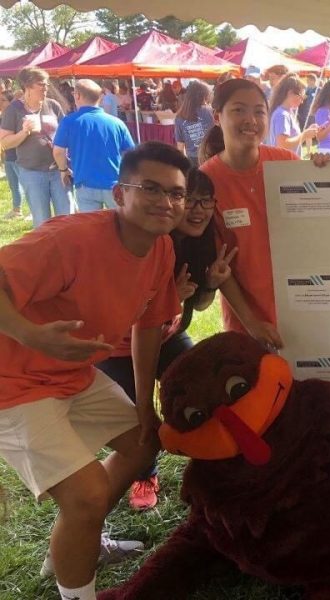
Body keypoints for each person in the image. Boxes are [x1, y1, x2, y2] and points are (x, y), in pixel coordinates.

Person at [0, 141, 190, 600]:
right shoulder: (69, 239)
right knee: (85, 496)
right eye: (150, 188)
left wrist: (145, 406)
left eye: (176, 193)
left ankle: (77, 543)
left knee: (144, 442)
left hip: (74, 375)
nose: (165, 202)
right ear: (119, 192)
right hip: (13, 384)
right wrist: (30, 334)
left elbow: (148, 328)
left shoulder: (161, 248)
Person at [94, 168, 234, 511]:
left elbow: (197, 304)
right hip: (119, 348)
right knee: (139, 427)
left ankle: (216, 464)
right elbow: (125, 312)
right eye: (191, 200)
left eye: (206, 201)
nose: (198, 210)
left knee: (205, 386)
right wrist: (167, 297)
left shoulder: (198, 242)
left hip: (168, 336)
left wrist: (211, 285)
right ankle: (145, 475)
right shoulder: (148, 241)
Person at [200, 78, 330, 349]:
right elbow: (219, 267)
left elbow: (324, 224)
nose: (251, 119)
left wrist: (327, 173)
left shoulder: (287, 163)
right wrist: (251, 323)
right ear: (217, 116)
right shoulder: (205, 183)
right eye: (239, 110)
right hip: (248, 325)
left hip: (306, 310)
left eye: (259, 111)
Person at [0, 67, 69, 228]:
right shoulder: (14, 109)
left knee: (67, 217)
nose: (46, 88)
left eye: (46, 84)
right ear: (27, 86)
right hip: (32, 173)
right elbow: (4, 143)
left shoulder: (53, 105)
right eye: (41, 84)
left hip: (59, 170)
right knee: (42, 221)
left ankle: (68, 252)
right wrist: (24, 132)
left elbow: (66, 134)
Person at [52, 80, 135, 214]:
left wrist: (63, 169)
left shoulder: (69, 122)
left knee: (90, 228)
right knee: (121, 226)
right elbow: (131, 154)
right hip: (114, 183)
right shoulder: (117, 123)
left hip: (85, 184)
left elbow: (58, 151)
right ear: (100, 97)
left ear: (77, 95)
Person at [267, 73, 318, 157]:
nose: (302, 101)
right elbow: (282, 144)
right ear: (290, 93)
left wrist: (307, 132)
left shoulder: (284, 113)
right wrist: (304, 135)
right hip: (285, 167)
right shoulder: (282, 115)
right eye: (301, 97)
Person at [174, 80, 214, 167]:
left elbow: (180, 145)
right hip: (209, 154)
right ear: (203, 96)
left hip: (191, 157)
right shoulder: (209, 111)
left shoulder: (180, 116)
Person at [0, 90, 26, 219]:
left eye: (3, 100)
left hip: (18, 156)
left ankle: (33, 211)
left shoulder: (16, 116)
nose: (0, 103)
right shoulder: (2, 117)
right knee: (13, 185)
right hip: (8, 157)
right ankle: (17, 209)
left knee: (27, 185)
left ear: (11, 102)